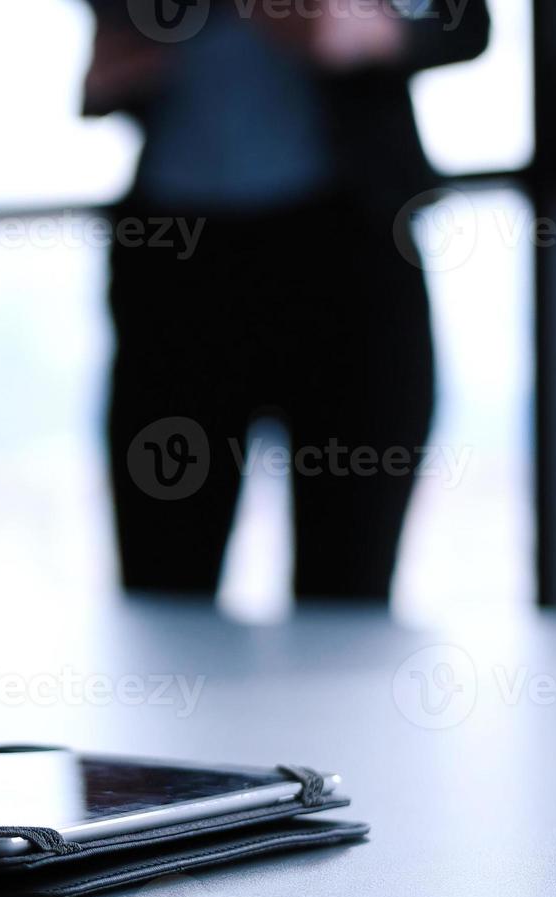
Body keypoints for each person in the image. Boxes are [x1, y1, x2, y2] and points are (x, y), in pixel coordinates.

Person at [83, 0, 490, 600]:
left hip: (349, 265)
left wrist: (365, 31)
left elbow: (463, 21)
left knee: (347, 599)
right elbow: (109, 57)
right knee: (164, 600)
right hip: (176, 270)